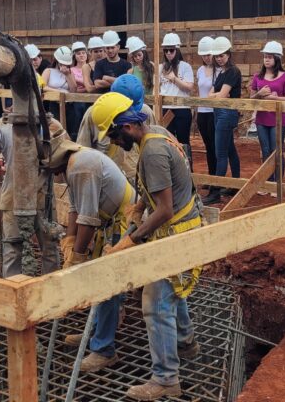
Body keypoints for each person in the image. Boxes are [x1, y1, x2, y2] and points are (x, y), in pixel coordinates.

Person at [100, 93, 202, 400]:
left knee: (155, 302)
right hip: (182, 229)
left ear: (128, 126)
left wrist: (131, 239)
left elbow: (165, 210)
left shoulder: (152, 153)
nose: (115, 142)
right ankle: (185, 342)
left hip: (175, 232)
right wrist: (138, 207)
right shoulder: (157, 133)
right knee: (173, 288)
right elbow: (157, 186)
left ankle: (166, 379)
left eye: (115, 134)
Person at [43, 119, 135, 373]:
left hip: (124, 222)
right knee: (101, 281)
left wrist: (79, 256)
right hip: (111, 221)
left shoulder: (81, 167)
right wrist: (70, 242)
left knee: (108, 284)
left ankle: (103, 349)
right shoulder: (74, 164)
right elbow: (75, 209)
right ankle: (95, 333)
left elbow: (88, 219)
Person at [0, 114, 61, 279]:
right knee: (12, 250)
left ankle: (51, 293)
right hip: (13, 197)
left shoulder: (51, 125)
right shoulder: (5, 124)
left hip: (42, 198)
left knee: (50, 248)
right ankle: (11, 291)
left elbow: (62, 157)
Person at [79, 75, 156, 182]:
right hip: (107, 180)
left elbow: (152, 147)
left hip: (137, 179)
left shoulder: (145, 112)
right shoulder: (95, 115)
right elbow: (83, 152)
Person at [203, 37, 242, 205]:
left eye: (222, 55)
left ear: (228, 54)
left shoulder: (233, 72)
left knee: (221, 153)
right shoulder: (223, 73)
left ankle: (215, 191)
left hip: (226, 112)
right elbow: (211, 94)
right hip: (220, 112)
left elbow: (221, 95)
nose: (219, 58)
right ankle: (235, 183)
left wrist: (214, 96)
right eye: (217, 56)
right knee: (230, 149)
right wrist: (214, 96)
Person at [249, 41, 285, 188]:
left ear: (277, 59)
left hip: (278, 119)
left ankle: (277, 184)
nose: (266, 59)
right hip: (262, 119)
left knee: (276, 151)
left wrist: (275, 98)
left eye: (269, 57)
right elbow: (251, 99)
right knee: (266, 150)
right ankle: (266, 182)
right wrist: (260, 94)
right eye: (265, 57)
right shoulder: (258, 77)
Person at [159, 33, 195, 160]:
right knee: (167, 141)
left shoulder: (185, 67)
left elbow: (189, 87)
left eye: (171, 50)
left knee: (183, 141)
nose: (168, 53)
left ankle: (187, 171)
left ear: (177, 50)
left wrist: (174, 79)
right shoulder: (160, 68)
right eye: (166, 50)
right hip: (166, 108)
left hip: (182, 108)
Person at [196, 36, 217, 176]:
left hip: (214, 112)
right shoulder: (199, 70)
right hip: (202, 112)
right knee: (208, 146)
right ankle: (211, 175)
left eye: (208, 54)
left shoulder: (220, 71)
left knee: (216, 147)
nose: (206, 58)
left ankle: (217, 177)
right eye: (204, 55)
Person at [42, 46, 77, 122]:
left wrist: (67, 75)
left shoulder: (70, 73)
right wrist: (59, 92)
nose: (64, 65)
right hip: (53, 103)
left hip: (68, 103)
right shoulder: (48, 71)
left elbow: (73, 90)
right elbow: (43, 87)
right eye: (62, 63)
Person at [69, 41, 89, 140]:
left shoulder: (91, 67)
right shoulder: (71, 70)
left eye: (83, 53)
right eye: (78, 53)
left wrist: (80, 83)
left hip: (90, 98)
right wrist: (87, 86)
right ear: (74, 56)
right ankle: (75, 136)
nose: (81, 55)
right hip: (77, 100)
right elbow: (73, 88)